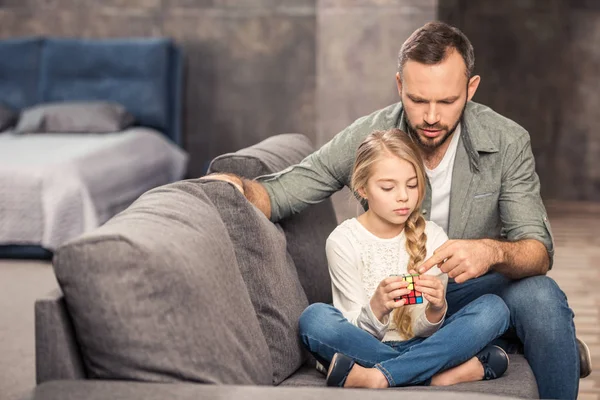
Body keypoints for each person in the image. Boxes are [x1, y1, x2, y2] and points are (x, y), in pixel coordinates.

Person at [205, 21, 589, 398]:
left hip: (462, 294)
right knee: (317, 320)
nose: (432, 117)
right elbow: (288, 189)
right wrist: (234, 187)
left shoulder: (507, 141)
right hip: (391, 303)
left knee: (540, 296)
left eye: (447, 101)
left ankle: (383, 373)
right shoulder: (371, 136)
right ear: (400, 86)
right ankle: (447, 366)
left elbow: (538, 252)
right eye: (418, 100)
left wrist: (490, 252)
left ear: (471, 89)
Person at [299, 128, 510, 388]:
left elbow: (425, 330)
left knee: (493, 309)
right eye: (388, 187)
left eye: (412, 185)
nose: (403, 196)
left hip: (425, 344)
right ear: (363, 189)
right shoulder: (344, 241)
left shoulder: (432, 237)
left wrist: (436, 309)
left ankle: (378, 377)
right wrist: (377, 307)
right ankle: (433, 376)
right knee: (315, 319)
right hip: (366, 346)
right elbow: (350, 330)